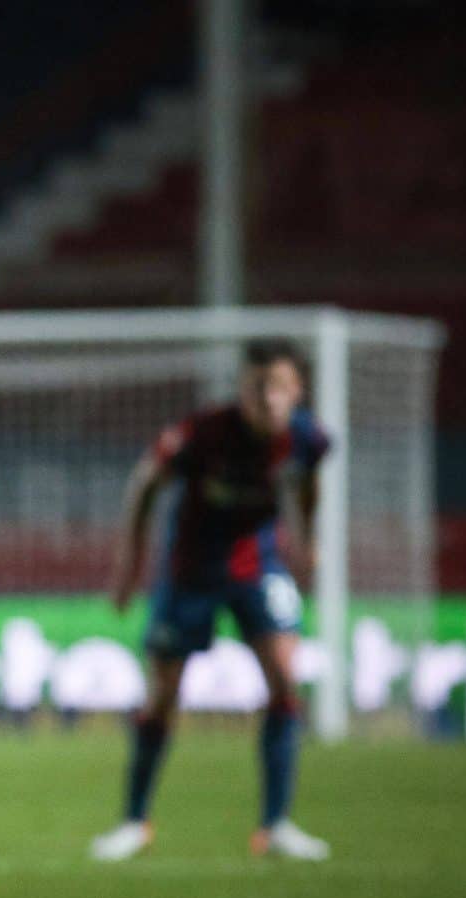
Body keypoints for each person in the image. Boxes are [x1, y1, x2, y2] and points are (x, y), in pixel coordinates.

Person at [92, 339, 332, 863]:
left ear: (297, 392)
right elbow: (145, 484)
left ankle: (276, 825)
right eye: (257, 388)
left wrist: (305, 543)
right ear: (241, 390)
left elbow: (308, 489)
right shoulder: (203, 434)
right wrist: (129, 563)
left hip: (258, 563)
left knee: (285, 679)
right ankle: (135, 822)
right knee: (163, 693)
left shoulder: (307, 440)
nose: (267, 399)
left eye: (278, 388)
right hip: (191, 568)